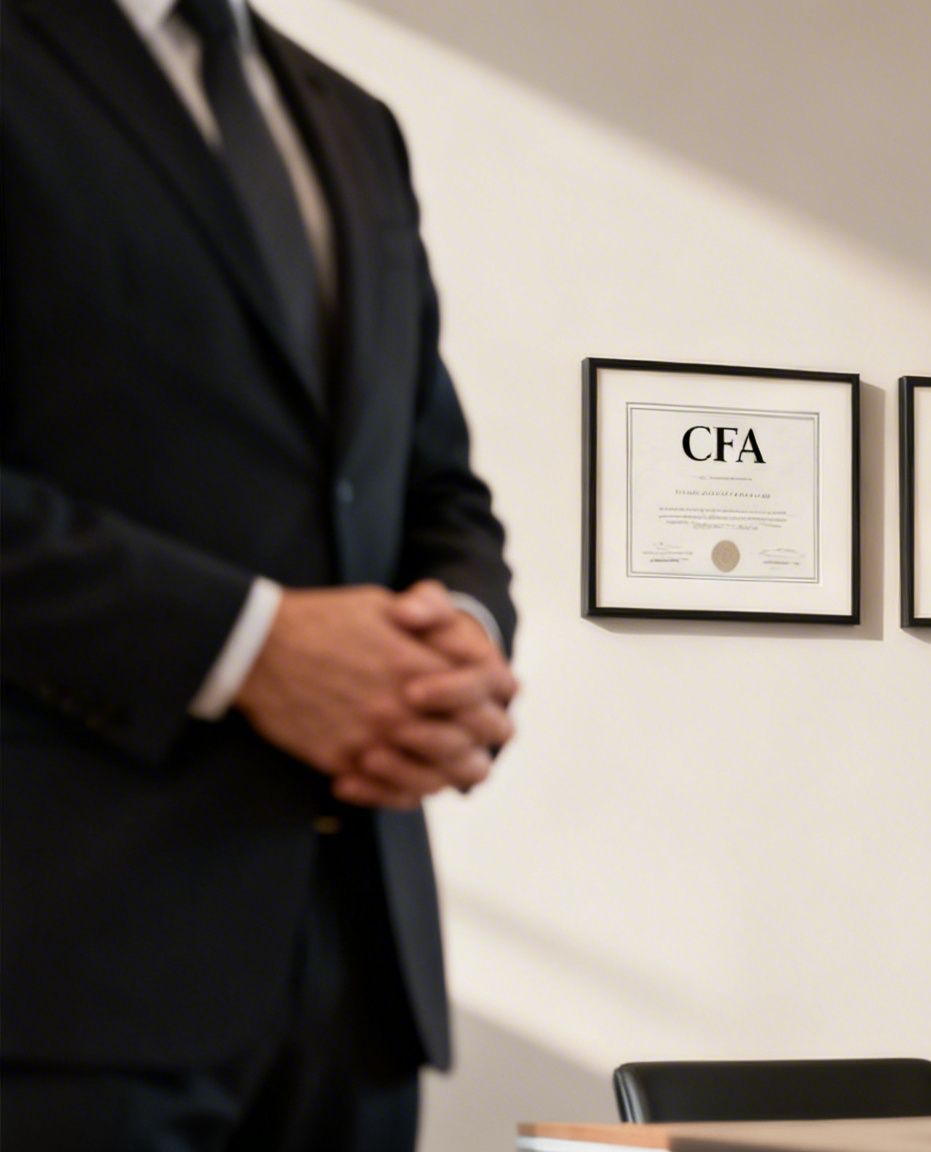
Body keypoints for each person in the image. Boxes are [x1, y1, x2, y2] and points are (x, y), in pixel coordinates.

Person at [0, 0, 518, 1147]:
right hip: (59, 978)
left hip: (359, 986)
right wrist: (246, 649)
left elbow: (435, 489)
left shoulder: (355, 124)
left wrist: (463, 640)